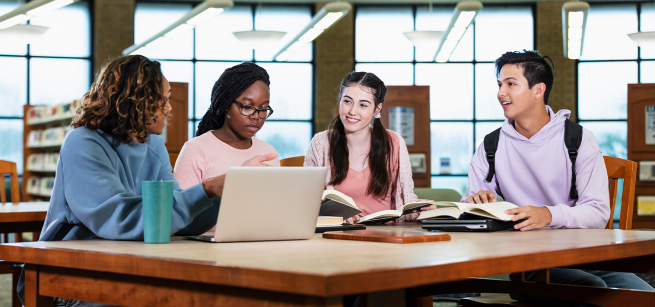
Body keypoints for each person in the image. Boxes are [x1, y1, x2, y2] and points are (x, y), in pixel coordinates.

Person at [17, 55, 271, 306]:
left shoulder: (154, 145)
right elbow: (118, 218)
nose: (169, 108)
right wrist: (207, 189)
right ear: (137, 101)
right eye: (164, 100)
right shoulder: (83, 142)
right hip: (71, 271)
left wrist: (230, 191)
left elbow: (174, 215)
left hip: (131, 262)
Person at [462, 50, 654, 306]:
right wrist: (476, 202)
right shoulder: (490, 145)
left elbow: (598, 212)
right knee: (591, 289)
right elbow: (469, 207)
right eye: (499, 84)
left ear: (538, 90)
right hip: (528, 263)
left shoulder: (578, 139)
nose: (500, 93)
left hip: (586, 256)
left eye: (510, 84)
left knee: (645, 297)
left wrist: (549, 215)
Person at [304, 71, 433, 224]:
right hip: (339, 236)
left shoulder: (393, 142)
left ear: (377, 110)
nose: (352, 111)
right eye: (347, 101)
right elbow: (307, 200)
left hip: (386, 237)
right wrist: (336, 214)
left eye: (363, 105)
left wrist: (420, 210)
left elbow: (404, 200)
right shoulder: (321, 143)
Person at [174, 62, 279, 233]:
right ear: (225, 104)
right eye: (246, 106)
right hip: (207, 248)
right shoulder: (196, 149)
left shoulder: (268, 152)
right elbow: (180, 216)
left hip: (259, 241)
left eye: (264, 109)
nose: (257, 116)